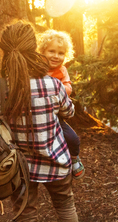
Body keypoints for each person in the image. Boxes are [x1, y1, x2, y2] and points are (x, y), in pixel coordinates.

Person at [0, 21, 79, 221]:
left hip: (18, 169)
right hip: (56, 160)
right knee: (65, 207)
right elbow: (70, 112)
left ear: (5, 51)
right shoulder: (54, 84)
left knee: (25, 214)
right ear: (34, 49)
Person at [37, 29, 85, 179]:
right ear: (42, 51)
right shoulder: (38, 68)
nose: (56, 56)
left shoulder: (62, 70)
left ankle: (75, 159)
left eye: (61, 53)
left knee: (72, 138)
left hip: (57, 114)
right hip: (39, 113)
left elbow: (68, 88)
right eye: (51, 51)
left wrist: (56, 87)